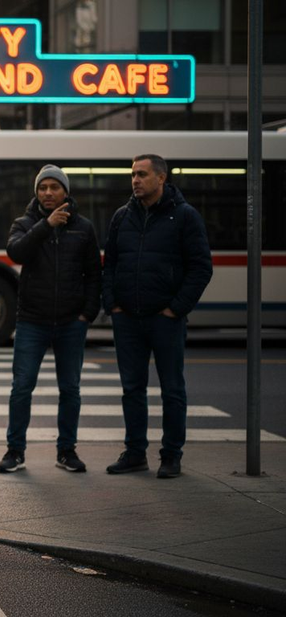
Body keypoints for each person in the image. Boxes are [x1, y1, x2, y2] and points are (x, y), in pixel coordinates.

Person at [102, 154, 212, 478]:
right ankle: (135, 453)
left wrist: (175, 309)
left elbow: (201, 268)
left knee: (172, 389)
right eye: (133, 174)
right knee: (132, 389)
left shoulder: (184, 216)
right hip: (128, 319)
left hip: (164, 319)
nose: (135, 180)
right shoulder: (122, 217)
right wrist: (113, 306)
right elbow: (110, 266)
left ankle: (171, 456)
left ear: (161, 178)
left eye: (142, 174)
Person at [0, 165, 101, 474]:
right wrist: (46, 226)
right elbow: (16, 252)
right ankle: (15, 451)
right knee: (22, 387)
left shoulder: (83, 227)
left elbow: (94, 274)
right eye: (43, 188)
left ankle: (67, 451)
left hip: (71, 321)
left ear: (65, 192)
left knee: (70, 388)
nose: (48, 193)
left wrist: (87, 314)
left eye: (54, 187)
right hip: (32, 320)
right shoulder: (24, 223)